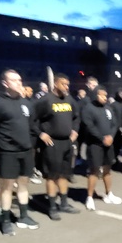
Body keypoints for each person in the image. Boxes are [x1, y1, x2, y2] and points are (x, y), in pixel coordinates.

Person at [0, 69, 39, 234]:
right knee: (6, 187)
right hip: (7, 152)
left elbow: (31, 125)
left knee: (23, 184)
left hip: (25, 150)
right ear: (5, 83)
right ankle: (6, 220)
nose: (18, 82)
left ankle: (23, 216)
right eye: (14, 80)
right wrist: (3, 145)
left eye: (20, 79)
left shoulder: (26, 103)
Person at [34, 73, 81, 220]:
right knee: (52, 176)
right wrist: (41, 133)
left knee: (64, 174)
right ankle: (52, 207)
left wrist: (75, 130)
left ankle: (64, 203)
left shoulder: (69, 99)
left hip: (67, 142)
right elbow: (32, 119)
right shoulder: (45, 101)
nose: (66, 87)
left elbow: (76, 116)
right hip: (52, 143)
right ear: (55, 84)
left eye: (68, 84)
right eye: (63, 84)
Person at [81, 86, 122, 210]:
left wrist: (111, 136)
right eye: (102, 95)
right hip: (95, 145)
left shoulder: (108, 108)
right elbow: (89, 126)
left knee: (107, 169)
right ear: (95, 95)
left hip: (108, 144)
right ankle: (89, 197)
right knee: (94, 171)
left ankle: (109, 193)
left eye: (105, 95)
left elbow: (114, 124)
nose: (105, 98)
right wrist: (102, 138)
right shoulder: (88, 109)